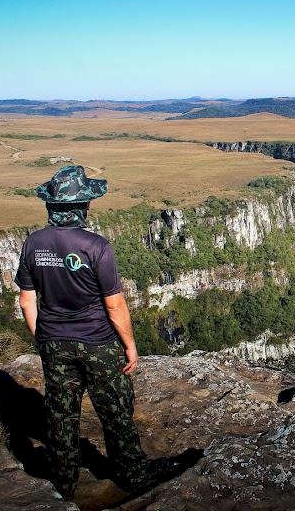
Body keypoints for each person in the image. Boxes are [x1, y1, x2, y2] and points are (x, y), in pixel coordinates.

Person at [14, 165, 193, 498]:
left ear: (51, 206)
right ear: (84, 206)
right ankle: (132, 476)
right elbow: (115, 305)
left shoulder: (32, 244)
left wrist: (44, 339)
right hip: (98, 342)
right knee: (115, 411)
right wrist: (130, 347)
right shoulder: (96, 247)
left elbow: (26, 301)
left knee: (60, 413)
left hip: (54, 341)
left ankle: (63, 483)